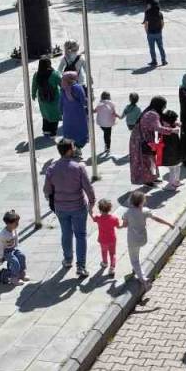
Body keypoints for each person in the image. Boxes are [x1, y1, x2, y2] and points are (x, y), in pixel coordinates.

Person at [43, 139, 96, 279]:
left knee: (66, 233)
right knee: (80, 235)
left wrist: (53, 198)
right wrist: (92, 202)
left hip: (61, 207)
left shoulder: (51, 169)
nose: (74, 150)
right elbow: (88, 188)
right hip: (78, 206)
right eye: (73, 147)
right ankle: (81, 266)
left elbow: (47, 190)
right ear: (68, 150)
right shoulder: (78, 168)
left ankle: (67, 260)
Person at [121, 190, 174, 287]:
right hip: (143, 239)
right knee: (136, 254)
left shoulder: (127, 212)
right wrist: (168, 224)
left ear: (131, 201)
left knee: (134, 260)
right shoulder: (145, 211)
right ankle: (136, 270)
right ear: (142, 202)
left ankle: (143, 279)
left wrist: (121, 225)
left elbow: (124, 225)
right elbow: (157, 219)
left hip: (132, 240)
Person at [129, 97, 176, 185]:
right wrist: (172, 131)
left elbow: (159, 122)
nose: (165, 107)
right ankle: (146, 180)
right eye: (164, 105)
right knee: (145, 160)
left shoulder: (151, 111)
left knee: (150, 159)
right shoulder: (152, 114)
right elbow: (158, 128)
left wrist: (173, 124)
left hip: (141, 138)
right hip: (141, 140)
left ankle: (152, 178)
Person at [0, 210, 29, 283]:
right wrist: (0, 257)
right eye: (16, 223)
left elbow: (16, 237)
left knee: (22, 256)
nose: (17, 224)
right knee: (15, 262)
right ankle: (14, 278)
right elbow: (0, 246)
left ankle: (21, 273)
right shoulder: (2, 235)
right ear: (8, 224)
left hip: (13, 249)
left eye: (18, 222)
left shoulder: (13, 229)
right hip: (6, 251)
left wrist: (16, 246)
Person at [32, 57, 62, 137]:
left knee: (45, 114)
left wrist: (33, 95)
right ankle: (53, 132)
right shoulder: (54, 74)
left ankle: (46, 130)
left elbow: (34, 86)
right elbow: (62, 84)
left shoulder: (36, 74)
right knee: (54, 115)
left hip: (42, 98)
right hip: (54, 99)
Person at [59, 71, 89, 149]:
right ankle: (78, 148)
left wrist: (61, 112)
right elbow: (83, 101)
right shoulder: (78, 88)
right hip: (79, 114)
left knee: (69, 132)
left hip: (67, 116)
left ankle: (71, 148)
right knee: (80, 131)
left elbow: (60, 103)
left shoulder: (63, 89)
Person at [93, 199, 119, 277]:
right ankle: (112, 268)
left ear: (100, 209)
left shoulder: (98, 218)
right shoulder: (114, 218)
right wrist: (124, 224)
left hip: (102, 240)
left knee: (104, 251)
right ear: (110, 209)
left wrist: (90, 210)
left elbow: (93, 217)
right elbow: (118, 226)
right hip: (112, 239)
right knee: (113, 253)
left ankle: (104, 263)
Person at [142, 0, 168, 66]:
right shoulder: (160, 14)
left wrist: (147, 33)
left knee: (152, 48)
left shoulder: (148, 13)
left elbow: (146, 25)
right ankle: (164, 61)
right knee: (161, 47)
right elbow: (162, 23)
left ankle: (154, 61)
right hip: (158, 32)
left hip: (150, 33)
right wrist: (160, 30)